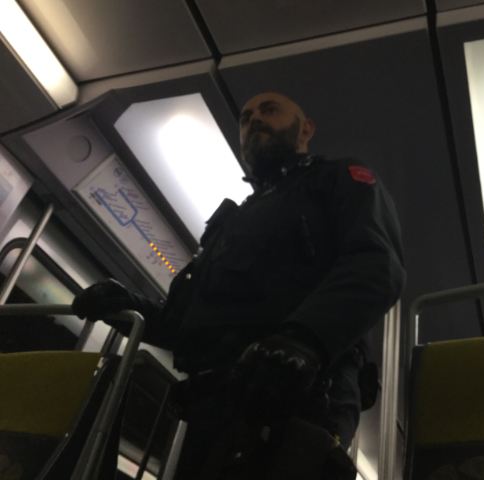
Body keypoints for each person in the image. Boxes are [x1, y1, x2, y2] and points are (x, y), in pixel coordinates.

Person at [73, 92, 405, 479]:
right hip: (213, 398)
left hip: (301, 386)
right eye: (245, 117)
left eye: (269, 110)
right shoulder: (234, 219)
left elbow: (375, 263)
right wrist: (129, 307)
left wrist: (305, 339)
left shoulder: (335, 179)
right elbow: (188, 321)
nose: (254, 120)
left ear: (306, 129)